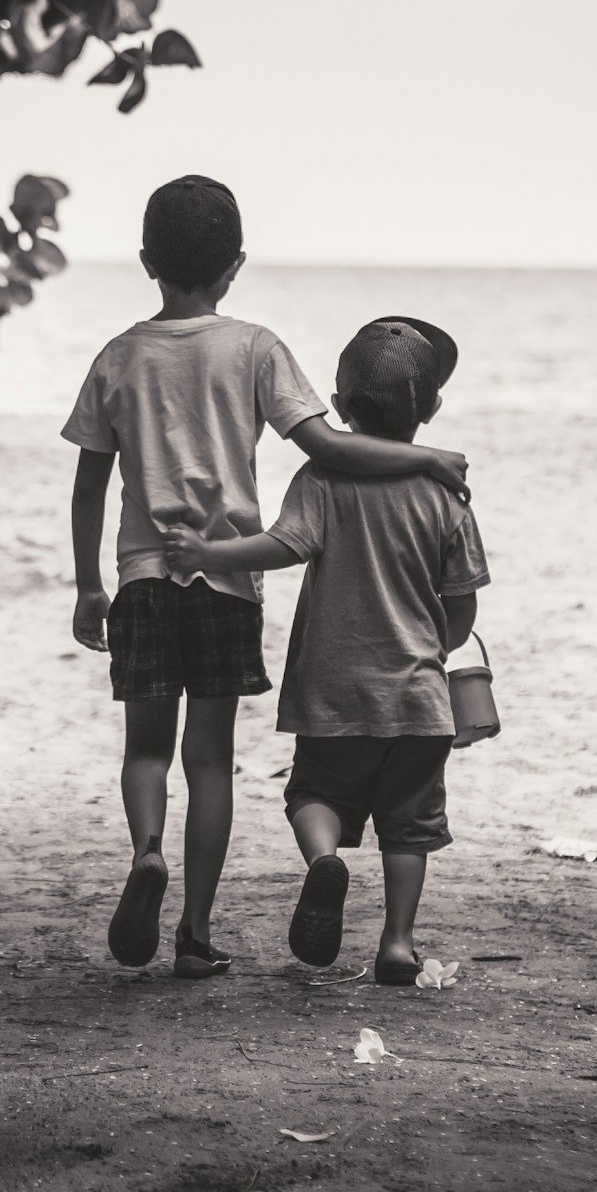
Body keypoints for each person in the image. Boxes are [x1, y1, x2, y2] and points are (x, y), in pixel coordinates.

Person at [64, 178, 469, 979]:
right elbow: (331, 448)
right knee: (210, 758)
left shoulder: (116, 355)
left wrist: (89, 584)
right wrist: (426, 454)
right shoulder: (255, 348)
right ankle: (195, 933)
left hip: (146, 578)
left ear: (146, 260)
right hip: (222, 587)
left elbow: (88, 485)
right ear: (236, 264)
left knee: (146, 749)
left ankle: (148, 851)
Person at [160, 317, 488, 985]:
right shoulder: (445, 494)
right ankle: (396, 943)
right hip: (419, 699)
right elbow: (462, 601)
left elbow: (284, 546)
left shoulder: (323, 476)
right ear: (431, 410)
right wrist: (442, 645)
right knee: (409, 826)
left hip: (331, 690)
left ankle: (323, 862)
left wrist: (210, 552)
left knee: (314, 793)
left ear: (337, 409)